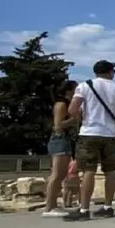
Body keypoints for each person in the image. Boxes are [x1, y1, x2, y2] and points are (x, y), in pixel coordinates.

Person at [64, 60, 115, 221]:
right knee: (110, 171)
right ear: (110, 72)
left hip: (89, 133)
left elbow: (72, 109)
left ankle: (84, 210)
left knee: (89, 171)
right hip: (110, 135)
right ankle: (108, 207)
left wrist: (83, 119)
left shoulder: (85, 86)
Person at [43, 80, 79, 217]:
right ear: (69, 90)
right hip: (59, 140)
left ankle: (53, 205)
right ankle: (49, 207)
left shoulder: (68, 104)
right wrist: (73, 119)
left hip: (66, 140)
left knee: (61, 175)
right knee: (57, 175)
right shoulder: (61, 104)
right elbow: (58, 125)